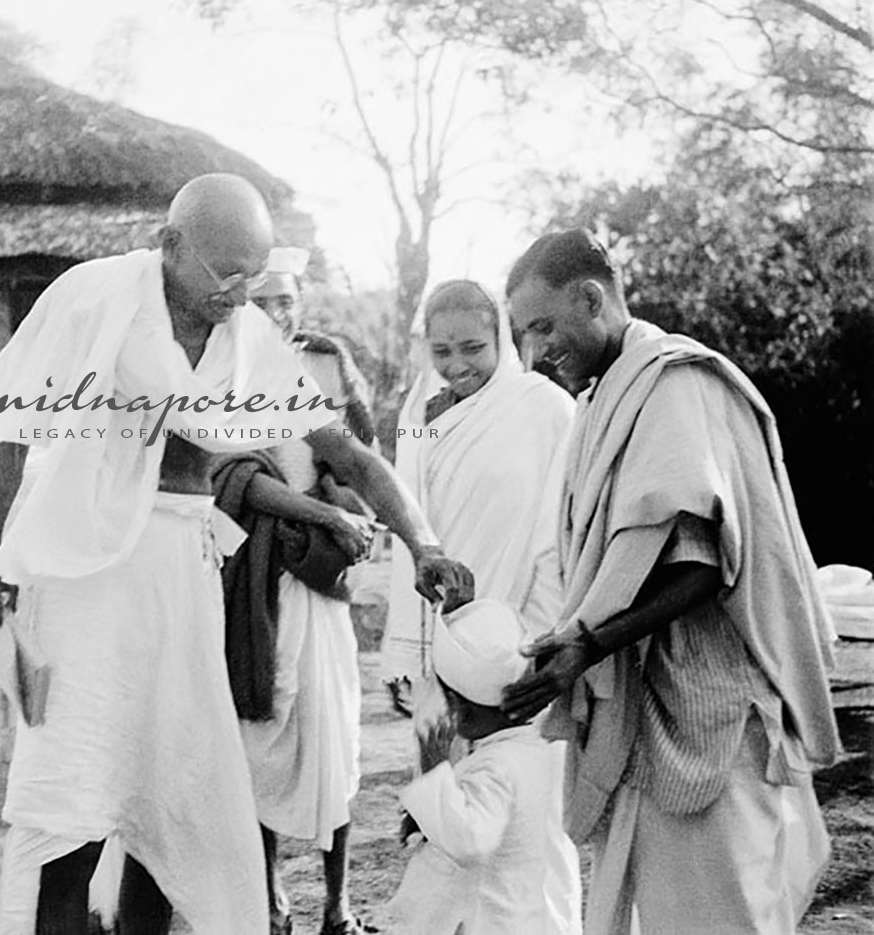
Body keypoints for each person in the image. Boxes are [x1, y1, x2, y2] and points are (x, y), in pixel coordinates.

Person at [0, 173, 472, 935]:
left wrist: (423, 541)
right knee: (71, 807)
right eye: (225, 273)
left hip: (182, 577)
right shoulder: (90, 297)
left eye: (254, 277)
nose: (239, 293)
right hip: (85, 579)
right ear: (169, 245)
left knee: (175, 799)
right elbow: (5, 427)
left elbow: (348, 453)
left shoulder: (247, 343)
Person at [502, 229, 840, 934]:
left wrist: (589, 645)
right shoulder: (604, 396)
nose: (534, 354)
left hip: (709, 697)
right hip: (647, 695)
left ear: (592, 298)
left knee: (725, 909)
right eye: (522, 337)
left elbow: (705, 563)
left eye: (543, 327)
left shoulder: (676, 382)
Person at [213, 254, 379, 935]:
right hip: (256, 570)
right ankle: (273, 898)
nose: (277, 313)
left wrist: (338, 509)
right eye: (265, 300)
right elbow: (239, 476)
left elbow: (356, 455)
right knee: (264, 732)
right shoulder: (223, 373)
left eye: (287, 300)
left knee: (334, 732)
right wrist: (324, 515)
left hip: (320, 574)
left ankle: (337, 905)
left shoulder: (319, 367)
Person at [380, 280, 576, 691]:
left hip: (524, 620)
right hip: (441, 613)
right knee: (443, 750)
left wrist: (549, 631)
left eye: (473, 348)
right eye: (441, 352)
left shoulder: (546, 408)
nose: (456, 365)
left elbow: (561, 529)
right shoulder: (420, 416)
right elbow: (410, 522)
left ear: (502, 341)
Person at [389, 598, 582, 934]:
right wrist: (427, 817)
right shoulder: (538, 746)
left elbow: (469, 840)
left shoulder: (495, 767)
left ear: (456, 706)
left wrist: (435, 776)